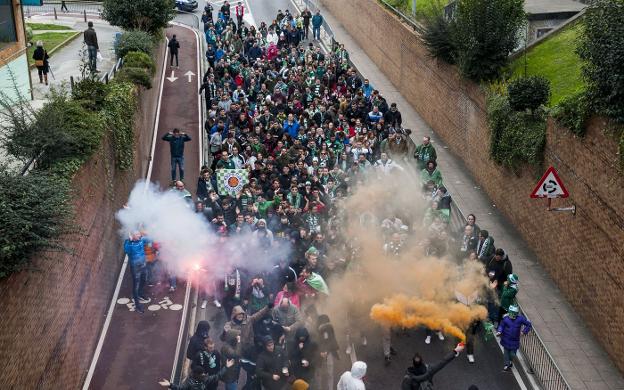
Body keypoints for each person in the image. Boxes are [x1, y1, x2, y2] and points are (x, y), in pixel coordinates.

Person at [400, 344, 465, 390]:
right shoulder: (430, 369)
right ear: (422, 361)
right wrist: (455, 351)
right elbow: (443, 361)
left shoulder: (408, 379)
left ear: (413, 363)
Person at [123, 231, 152, 313]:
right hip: (135, 268)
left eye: (139, 234)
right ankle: (137, 305)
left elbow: (150, 240)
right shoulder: (128, 243)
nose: (139, 235)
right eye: (137, 234)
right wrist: (129, 241)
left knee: (144, 280)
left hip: (143, 265)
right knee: (136, 285)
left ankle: (140, 293)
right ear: (132, 236)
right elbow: (126, 250)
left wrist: (147, 237)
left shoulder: (142, 240)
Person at [497, 305, 532, 371]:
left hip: (515, 340)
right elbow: (501, 326)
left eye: (513, 314)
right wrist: (499, 331)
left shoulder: (520, 319)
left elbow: (529, 324)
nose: (511, 315)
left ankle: (510, 361)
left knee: (512, 354)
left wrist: (524, 332)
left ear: (516, 313)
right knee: (506, 353)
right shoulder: (505, 319)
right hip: (506, 339)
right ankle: (506, 364)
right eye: (510, 313)